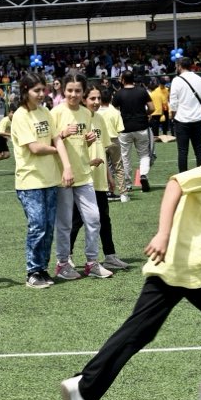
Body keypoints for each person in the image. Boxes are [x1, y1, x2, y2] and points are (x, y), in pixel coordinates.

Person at [58, 108, 201, 400]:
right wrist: (163, 232)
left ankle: (82, 388)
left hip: (172, 264)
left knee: (138, 331)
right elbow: (174, 184)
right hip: (191, 266)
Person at [2, 74, 62, 289]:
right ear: (25, 90)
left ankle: (42, 268)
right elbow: (35, 148)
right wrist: (60, 150)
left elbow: (55, 136)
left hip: (50, 178)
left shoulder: (45, 111)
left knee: (47, 226)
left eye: (43, 90)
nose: (41, 94)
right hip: (30, 181)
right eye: (36, 90)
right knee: (37, 226)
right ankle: (32, 271)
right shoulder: (20, 116)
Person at [51, 76, 111, 281]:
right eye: (69, 90)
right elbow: (52, 142)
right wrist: (63, 133)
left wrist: (87, 141)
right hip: (63, 177)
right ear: (63, 91)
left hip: (84, 174)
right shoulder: (56, 113)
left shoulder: (87, 113)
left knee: (94, 218)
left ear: (82, 92)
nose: (73, 95)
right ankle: (62, 264)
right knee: (65, 223)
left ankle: (92, 263)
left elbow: (80, 145)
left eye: (77, 91)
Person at [84, 85, 132, 270]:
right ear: (84, 100)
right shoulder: (77, 119)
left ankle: (110, 256)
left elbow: (102, 151)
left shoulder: (100, 119)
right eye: (92, 98)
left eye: (98, 98)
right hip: (82, 179)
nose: (96, 102)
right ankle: (66, 259)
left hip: (99, 179)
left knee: (104, 217)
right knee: (77, 221)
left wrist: (108, 176)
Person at [166, 58, 201, 172]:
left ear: (180, 66)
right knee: (199, 150)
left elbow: (173, 103)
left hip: (181, 120)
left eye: (177, 66)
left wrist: (173, 117)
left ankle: (183, 177)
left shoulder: (176, 80)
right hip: (197, 119)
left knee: (182, 151)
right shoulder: (200, 79)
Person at [113, 71, 155, 189]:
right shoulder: (142, 91)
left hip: (124, 128)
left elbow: (114, 111)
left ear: (123, 80)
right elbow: (152, 108)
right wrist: (145, 114)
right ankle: (143, 175)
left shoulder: (119, 94)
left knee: (125, 156)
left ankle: (127, 184)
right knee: (144, 155)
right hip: (141, 126)